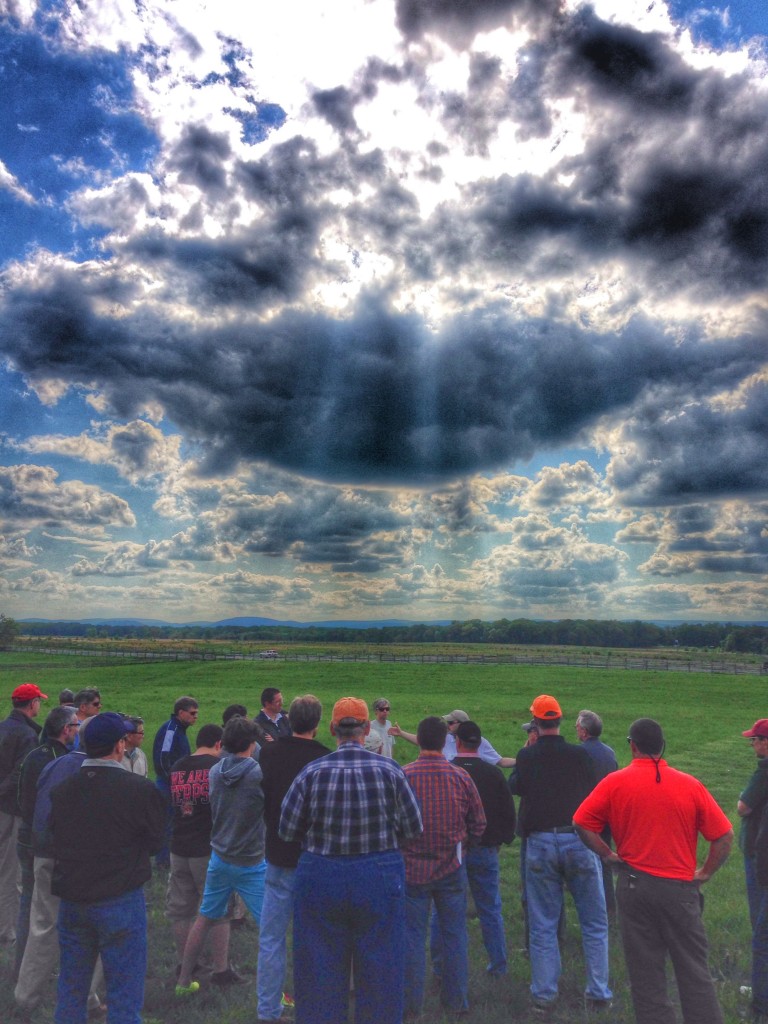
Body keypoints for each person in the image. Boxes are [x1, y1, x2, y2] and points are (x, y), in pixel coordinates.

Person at [574, 717, 733, 1024]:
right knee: (695, 974)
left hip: (635, 886)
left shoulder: (615, 782)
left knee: (647, 978)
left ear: (632, 746)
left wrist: (608, 855)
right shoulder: (690, 785)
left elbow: (581, 822)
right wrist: (705, 872)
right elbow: (724, 836)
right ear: (662, 747)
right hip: (680, 891)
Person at [279, 696, 423, 1024]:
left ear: (332, 729)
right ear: (366, 728)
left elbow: (286, 830)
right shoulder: (391, 771)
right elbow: (414, 828)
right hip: (380, 874)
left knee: (318, 972)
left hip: (321, 874)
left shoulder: (311, 772)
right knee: (382, 971)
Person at [49, 712, 166, 1024]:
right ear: (120, 745)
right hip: (120, 899)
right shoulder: (138, 790)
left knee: (71, 990)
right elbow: (156, 843)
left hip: (74, 899)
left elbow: (51, 840)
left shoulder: (62, 792)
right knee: (124, 997)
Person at [509, 694, 611, 1014]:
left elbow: (516, 787)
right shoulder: (580, 756)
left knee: (542, 923)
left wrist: (528, 752)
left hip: (539, 843)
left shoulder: (527, 757)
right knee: (594, 921)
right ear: (560, 721)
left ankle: (544, 995)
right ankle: (597, 992)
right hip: (577, 839)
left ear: (536, 723)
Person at [15, 720, 105, 1017]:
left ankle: (24, 997)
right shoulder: (93, 771)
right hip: (76, 858)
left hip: (43, 851)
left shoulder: (55, 764)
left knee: (43, 924)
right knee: (95, 924)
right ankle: (87, 997)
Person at [175, 715, 267, 995]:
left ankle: (182, 982)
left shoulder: (215, 771)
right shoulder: (257, 774)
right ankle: (275, 992)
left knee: (204, 918)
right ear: (251, 743)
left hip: (219, 856)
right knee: (270, 928)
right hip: (251, 861)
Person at [401, 716, 486, 1018]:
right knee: (455, 935)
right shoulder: (460, 777)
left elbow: (392, 823)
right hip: (451, 867)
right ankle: (457, 1002)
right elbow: (479, 823)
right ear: (443, 742)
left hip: (412, 870)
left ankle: (411, 1006)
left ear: (420, 741)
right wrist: (463, 847)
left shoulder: (404, 775)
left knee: (412, 936)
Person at [257, 695, 331, 1022]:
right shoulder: (325, 759)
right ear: (317, 724)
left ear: (290, 720)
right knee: (314, 938)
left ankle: (267, 1011)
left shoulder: (268, 754)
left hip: (276, 853)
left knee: (271, 939)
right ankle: (313, 1008)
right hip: (314, 858)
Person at [15, 705, 79, 975]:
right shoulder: (60, 760)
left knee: (29, 903)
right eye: (76, 726)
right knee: (46, 909)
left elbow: (22, 799)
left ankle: (23, 964)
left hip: (26, 835)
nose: (78, 730)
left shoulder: (33, 755)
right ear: (66, 730)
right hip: (42, 842)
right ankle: (40, 968)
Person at [449, 720, 516, 977]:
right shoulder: (492, 773)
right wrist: (501, 839)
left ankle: (445, 967)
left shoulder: (450, 770)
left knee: (448, 909)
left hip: (454, 850)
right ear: (479, 744)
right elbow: (507, 812)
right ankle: (499, 965)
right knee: (490, 908)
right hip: (487, 847)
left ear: (458, 742)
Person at [166, 723, 233, 981]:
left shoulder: (178, 767)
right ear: (219, 744)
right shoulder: (217, 768)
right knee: (218, 910)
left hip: (179, 845)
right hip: (208, 847)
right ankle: (220, 969)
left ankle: (186, 964)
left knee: (181, 909)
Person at [0, 682, 46, 943]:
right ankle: (7, 931)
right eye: (39, 700)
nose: (40, 704)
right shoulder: (28, 735)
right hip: (12, 809)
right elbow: (21, 773)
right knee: (11, 872)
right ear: (31, 704)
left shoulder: (2, 727)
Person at [575, 709, 618, 917]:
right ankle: (610, 909)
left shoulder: (579, 753)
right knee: (605, 860)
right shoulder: (610, 752)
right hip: (608, 815)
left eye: (577, 726)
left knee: (585, 864)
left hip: (588, 816)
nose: (575, 729)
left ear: (584, 731)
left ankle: (592, 912)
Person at [152, 696, 199, 868]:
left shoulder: (179, 729)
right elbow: (164, 759)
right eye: (192, 713)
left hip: (176, 783)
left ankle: (170, 858)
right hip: (168, 785)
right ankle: (163, 862)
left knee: (176, 822)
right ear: (181, 712)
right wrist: (175, 783)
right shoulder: (171, 731)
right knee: (168, 823)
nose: (196, 717)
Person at [742, 720, 768, 1023]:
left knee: (760, 930)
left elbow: (742, 806)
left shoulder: (763, 771)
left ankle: (761, 999)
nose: (752, 745)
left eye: (755, 740)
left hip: (759, 857)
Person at [391, 709, 515, 768]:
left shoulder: (479, 742)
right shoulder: (446, 738)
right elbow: (422, 741)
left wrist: (523, 760)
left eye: (450, 722)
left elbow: (501, 761)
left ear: (461, 724)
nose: (447, 725)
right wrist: (401, 733)